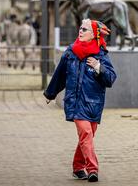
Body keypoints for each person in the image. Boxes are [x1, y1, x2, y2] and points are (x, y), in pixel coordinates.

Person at [43, 19, 117, 182]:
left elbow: (111, 79)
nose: (80, 31)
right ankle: (92, 169)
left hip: (94, 103)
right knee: (86, 133)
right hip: (74, 101)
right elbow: (60, 75)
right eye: (80, 28)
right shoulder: (70, 52)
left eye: (84, 29)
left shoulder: (101, 54)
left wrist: (99, 67)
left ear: (93, 35)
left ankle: (77, 167)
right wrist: (50, 93)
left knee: (87, 136)